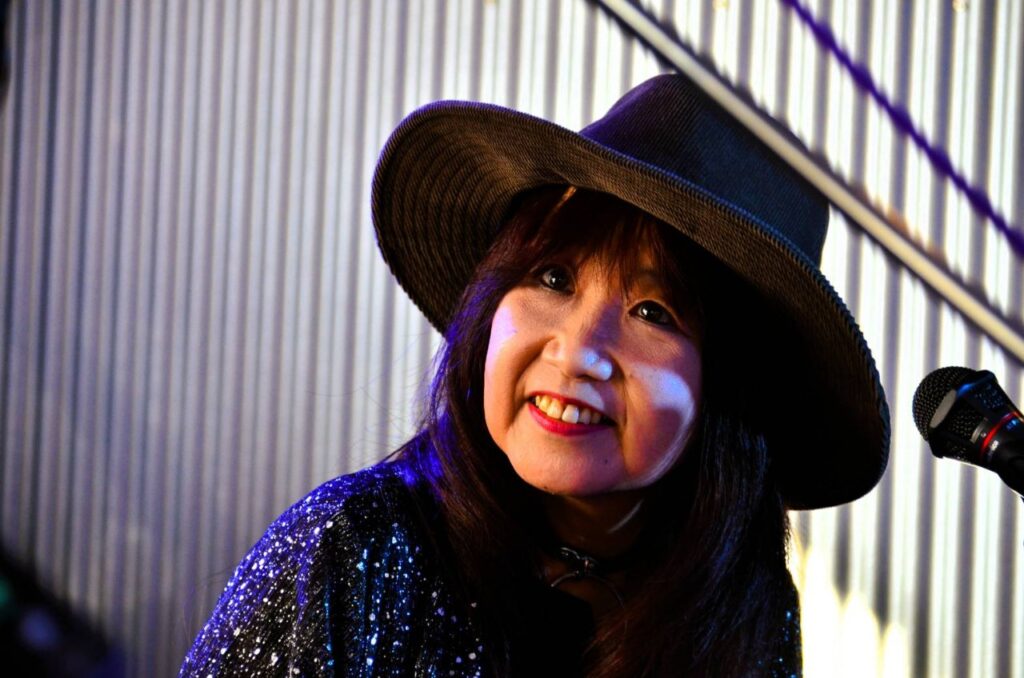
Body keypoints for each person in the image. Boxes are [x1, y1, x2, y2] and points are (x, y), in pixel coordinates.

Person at [180, 74, 889, 677]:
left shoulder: (744, 607)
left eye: (653, 311)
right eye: (553, 278)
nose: (578, 350)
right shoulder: (350, 547)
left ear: (728, 392)